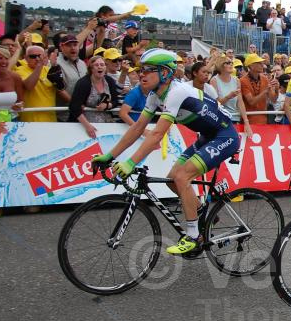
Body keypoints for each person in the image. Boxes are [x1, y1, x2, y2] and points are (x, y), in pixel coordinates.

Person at [91, 49, 240, 256]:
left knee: (181, 176)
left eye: (148, 70)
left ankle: (193, 236)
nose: (142, 74)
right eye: (141, 70)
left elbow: (157, 134)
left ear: (165, 73)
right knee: (172, 180)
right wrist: (110, 156)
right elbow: (137, 128)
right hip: (207, 136)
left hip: (226, 136)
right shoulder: (154, 95)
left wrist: (130, 163)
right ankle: (201, 215)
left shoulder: (176, 92)